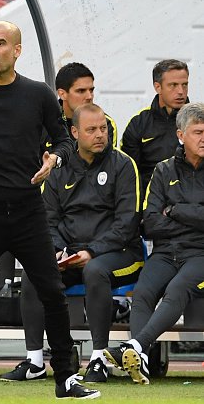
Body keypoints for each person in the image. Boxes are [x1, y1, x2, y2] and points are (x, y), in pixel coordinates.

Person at [0, 21, 99, 399]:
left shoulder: (38, 94)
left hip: (27, 210)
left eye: (0, 43)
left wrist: (54, 159)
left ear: (17, 50)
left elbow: (63, 139)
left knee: (52, 291)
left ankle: (66, 379)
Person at [0, 103, 143, 384]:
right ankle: (35, 361)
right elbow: (47, 220)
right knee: (33, 272)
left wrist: (92, 251)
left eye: (103, 128)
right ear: (75, 132)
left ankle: (99, 358)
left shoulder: (123, 164)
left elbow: (127, 223)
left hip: (121, 254)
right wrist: (57, 251)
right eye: (91, 130)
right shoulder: (59, 169)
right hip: (72, 254)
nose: (100, 134)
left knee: (95, 270)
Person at [104, 102, 204, 385]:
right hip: (164, 251)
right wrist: (193, 215)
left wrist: (175, 210)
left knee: (176, 289)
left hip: (200, 253)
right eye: (197, 132)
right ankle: (141, 360)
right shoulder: (163, 170)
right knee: (144, 292)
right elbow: (150, 222)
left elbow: (165, 216)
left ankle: (136, 347)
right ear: (181, 135)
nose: (203, 138)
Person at [120, 59, 189, 196]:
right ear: (157, 87)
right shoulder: (138, 124)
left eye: (185, 85)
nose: (181, 91)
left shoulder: (199, 122)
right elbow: (128, 175)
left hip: (192, 202)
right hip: (151, 202)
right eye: (173, 85)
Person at [52, 62, 117, 146]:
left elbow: (106, 158)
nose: (89, 96)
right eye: (81, 91)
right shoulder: (44, 121)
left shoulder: (105, 122)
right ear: (62, 94)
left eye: (91, 90)